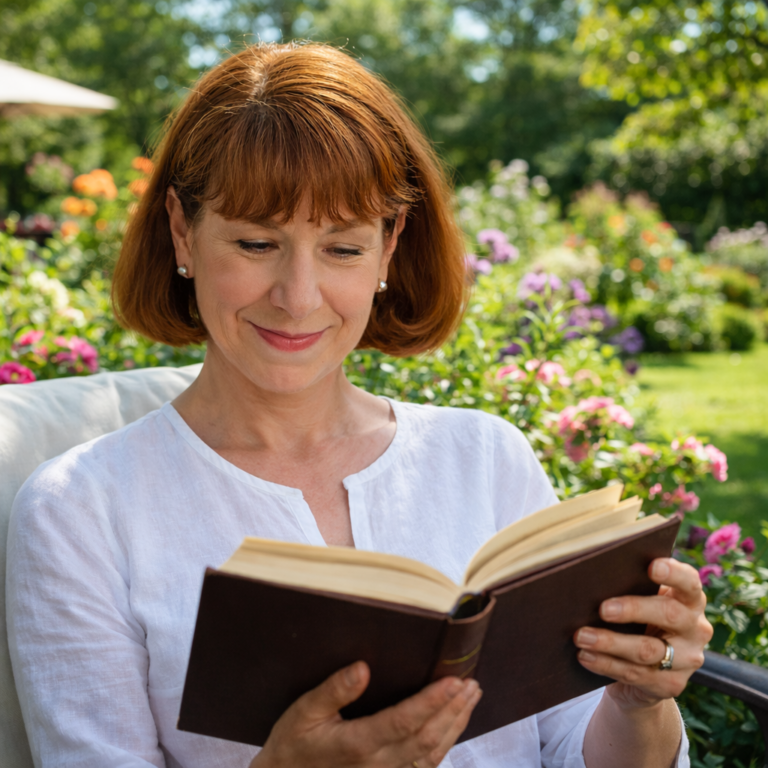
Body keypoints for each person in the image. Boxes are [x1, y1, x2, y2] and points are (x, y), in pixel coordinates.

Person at [7, 42, 711, 768]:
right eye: (255, 243)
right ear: (183, 230)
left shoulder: (486, 457)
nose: (298, 296)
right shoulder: (81, 510)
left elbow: (580, 753)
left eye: (342, 249)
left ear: (389, 246)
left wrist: (641, 700)